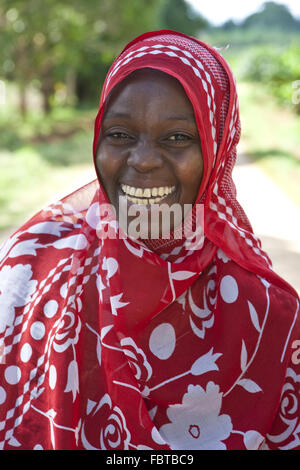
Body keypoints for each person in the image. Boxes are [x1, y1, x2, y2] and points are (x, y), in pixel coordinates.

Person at [0, 30, 299, 451]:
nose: (141, 160)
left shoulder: (267, 313)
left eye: (177, 138)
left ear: (217, 151)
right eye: (119, 134)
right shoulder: (29, 271)